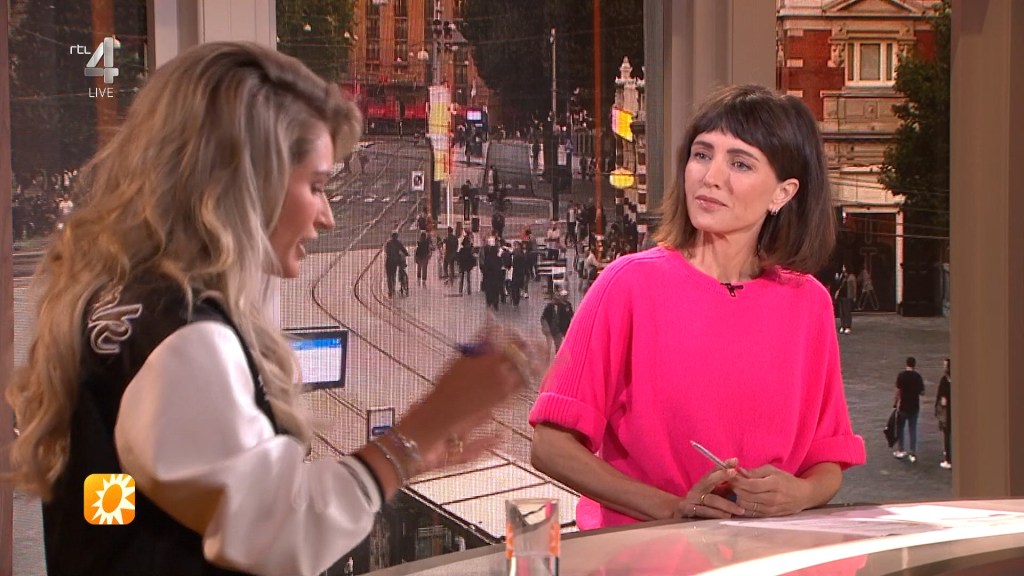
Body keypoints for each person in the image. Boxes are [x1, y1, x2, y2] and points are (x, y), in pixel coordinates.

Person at [4, 42, 529, 576]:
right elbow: (274, 530)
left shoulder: (123, 306)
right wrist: (422, 428)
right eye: (316, 186)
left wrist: (413, 455)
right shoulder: (187, 340)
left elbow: (142, 509)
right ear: (248, 182)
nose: (326, 216)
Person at [529, 85, 866, 530]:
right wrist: (671, 509)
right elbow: (550, 446)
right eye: (702, 154)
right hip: (645, 555)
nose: (710, 177)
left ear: (782, 193)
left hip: (767, 554)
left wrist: (800, 494)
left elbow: (828, 458)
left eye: (740, 163)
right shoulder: (627, 286)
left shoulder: (810, 304)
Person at [893, 356, 926, 463]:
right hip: (914, 407)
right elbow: (922, 392)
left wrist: (895, 403)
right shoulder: (917, 377)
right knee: (913, 430)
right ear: (914, 365)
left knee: (900, 428)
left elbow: (898, 391)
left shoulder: (901, 376)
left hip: (903, 406)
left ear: (906, 364)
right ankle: (912, 452)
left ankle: (901, 449)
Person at [935, 358, 952, 469]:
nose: (944, 367)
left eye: (945, 365)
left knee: (947, 435)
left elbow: (942, 399)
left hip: (947, 412)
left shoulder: (944, 380)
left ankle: (948, 459)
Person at [384, 231, 409, 298]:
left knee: (389, 276)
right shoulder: (398, 243)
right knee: (393, 275)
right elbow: (403, 250)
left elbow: (387, 252)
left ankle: (390, 290)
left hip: (389, 261)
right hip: (394, 262)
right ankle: (393, 288)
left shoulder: (388, 243)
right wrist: (407, 254)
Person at [833, 265, 856, 333]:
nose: (843, 268)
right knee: (841, 312)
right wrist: (837, 278)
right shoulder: (842, 275)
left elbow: (854, 287)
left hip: (847, 296)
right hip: (841, 296)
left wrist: (854, 296)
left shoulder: (851, 276)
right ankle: (843, 325)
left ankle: (848, 326)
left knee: (847, 311)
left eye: (844, 267)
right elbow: (838, 284)